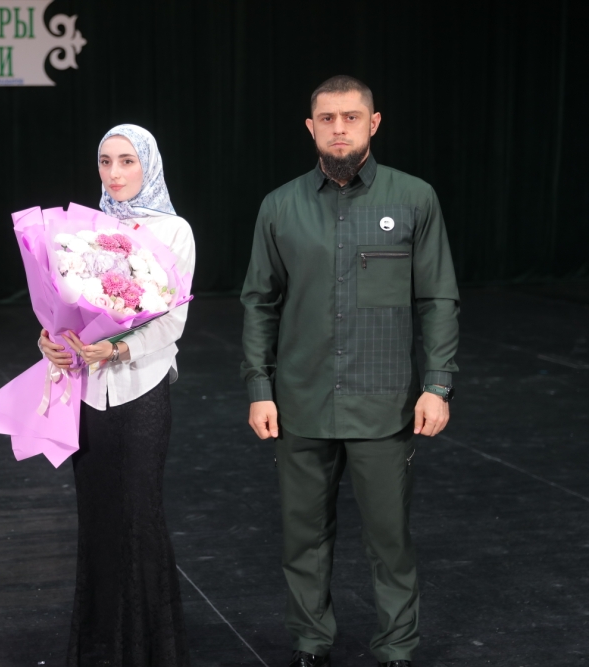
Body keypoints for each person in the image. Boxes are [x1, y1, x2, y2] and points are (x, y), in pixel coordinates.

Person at [240, 76, 460, 667]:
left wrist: (437, 385)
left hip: (384, 402)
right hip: (300, 401)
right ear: (310, 127)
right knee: (303, 538)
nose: (339, 128)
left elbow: (438, 298)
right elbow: (259, 302)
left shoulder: (414, 198)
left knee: (390, 539)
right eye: (328, 118)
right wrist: (259, 388)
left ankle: (397, 648)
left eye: (352, 117)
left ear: (374, 123)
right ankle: (311, 643)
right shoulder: (279, 206)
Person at [39, 124, 195, 666]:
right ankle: (101, 650)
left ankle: (150, 652)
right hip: (88, 396)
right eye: (106, 161)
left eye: (127, 161)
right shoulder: (85, 227)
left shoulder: (173, 231)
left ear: (148, 165)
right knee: (98, 520)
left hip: (141, 390)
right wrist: (49, 340)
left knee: (138, 517)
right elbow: (63, 308)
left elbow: (172, 320)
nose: (115, 172)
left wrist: (118, 350)